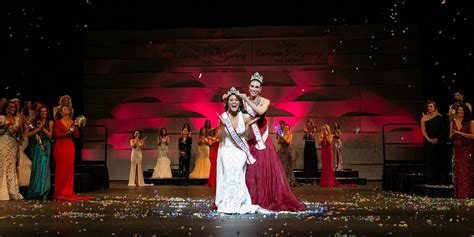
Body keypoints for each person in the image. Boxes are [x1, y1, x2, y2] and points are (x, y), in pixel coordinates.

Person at [237, 72, 307, 212]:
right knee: (250, 171)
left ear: (261, 89)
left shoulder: (265, 101)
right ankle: (248, 198)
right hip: (250, 138)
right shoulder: (243, 101)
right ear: (249, 86)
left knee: (264, 168)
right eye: (252, 86)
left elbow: (260, 111)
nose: (254, 89)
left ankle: (264, 197)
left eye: (257, 87)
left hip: (262, 140)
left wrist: (247, 100)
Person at [215, 89, 263, 214]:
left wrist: (247, 127)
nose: (234, 102)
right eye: (231, 100)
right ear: (228, 102)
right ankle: (226, 203)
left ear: (240, 102)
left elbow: (248, 137)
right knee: (229, 168)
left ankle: (239, 202)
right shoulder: (223, 116)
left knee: (237, 168)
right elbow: (219, 138)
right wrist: (221, 125)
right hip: (227, 148)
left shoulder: (245, 117)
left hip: (241, 149)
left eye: (236, 100)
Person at [53, 106, 91, 200]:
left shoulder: (73, 122)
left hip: (70, 146)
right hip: (60, 146)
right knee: (60, 170)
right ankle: (59, 192)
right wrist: (68, 132)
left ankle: (67, 191)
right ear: (61, 112)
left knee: (69, 169)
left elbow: (77, 136)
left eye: (67, 109)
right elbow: (57, 135)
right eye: (64, 109)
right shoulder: (58, 122)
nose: (66, 110)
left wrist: (76, 128)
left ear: (70, 112)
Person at [26, 105, 53, 200]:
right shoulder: (34, 123)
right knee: (36, 167)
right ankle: (35, 190)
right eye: (42, 111)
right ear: (39, 113)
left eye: (45, 111)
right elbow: (27, 134)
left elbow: (50, 136)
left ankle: (44, 191)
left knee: (44, 168)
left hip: (46, 146)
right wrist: (37, 129)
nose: (44, 113)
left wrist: (42, 128)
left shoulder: (50, 122)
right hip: (36, 146)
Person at [0, 101, 24, 200]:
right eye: (11, 107)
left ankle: (12, 192)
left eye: (14, 107)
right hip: (3, 142)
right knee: (3, 165)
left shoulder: (17, 119)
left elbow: (19, 135)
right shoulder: (1, 118)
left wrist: (18, 131)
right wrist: (5, 126)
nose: (13, 109)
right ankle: (3, 191)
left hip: (13, 144)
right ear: (6, 108)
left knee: (11, 166)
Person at [449, 104, 474, 198]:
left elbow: (473, 136)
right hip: (458, 149)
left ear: (465, 111)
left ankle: (468, 193)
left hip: (467, 148)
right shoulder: (453, 121)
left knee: (467, 170)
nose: (460, 112)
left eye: (462, 110)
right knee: (459, 170)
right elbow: (450, 136)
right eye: (459, 110)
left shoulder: (470, 122)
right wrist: (453, 134)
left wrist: (460, 133)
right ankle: (460, 194)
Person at [420, 101, 447, 185]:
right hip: (428, 142)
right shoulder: (423, 118)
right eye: (428, 106)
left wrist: (438, 139)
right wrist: (428, 139)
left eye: (431, 106)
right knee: (430, 161)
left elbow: (443, 131)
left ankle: (440, 180)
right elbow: (423, 130)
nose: (429, 108)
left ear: (435, 107)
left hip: (439, 142)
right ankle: (431, 180)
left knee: (438, 160)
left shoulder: (439, 118)